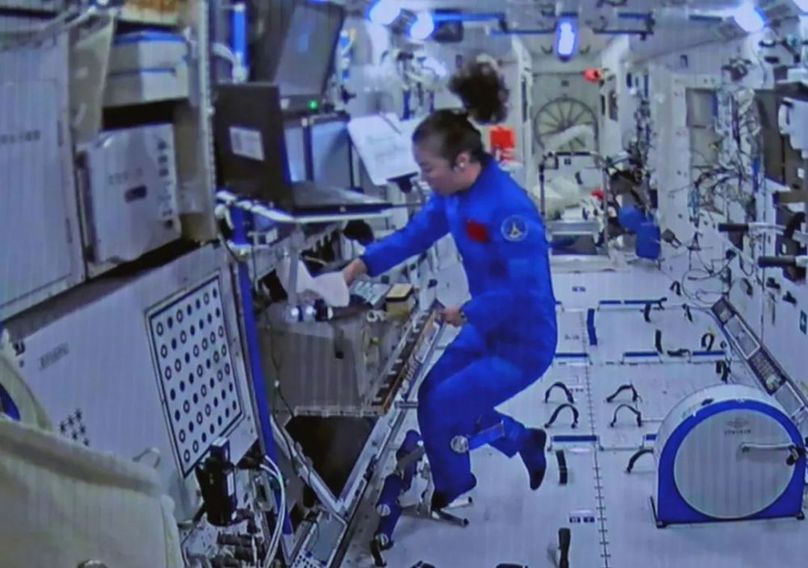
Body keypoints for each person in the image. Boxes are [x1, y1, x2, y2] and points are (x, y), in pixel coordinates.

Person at [343, 60, 558, 510]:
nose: (424, 179)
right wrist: (359, 266)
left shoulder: (508, 210)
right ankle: (520, 440)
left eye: (428, 169)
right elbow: (414, 236)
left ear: (462, 162)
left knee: (444, 407)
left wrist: (468, 311)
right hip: (486, 329)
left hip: (524, 343)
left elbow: (525, 293)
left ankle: (456, 484)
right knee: (431, 396)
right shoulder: (452, 198)